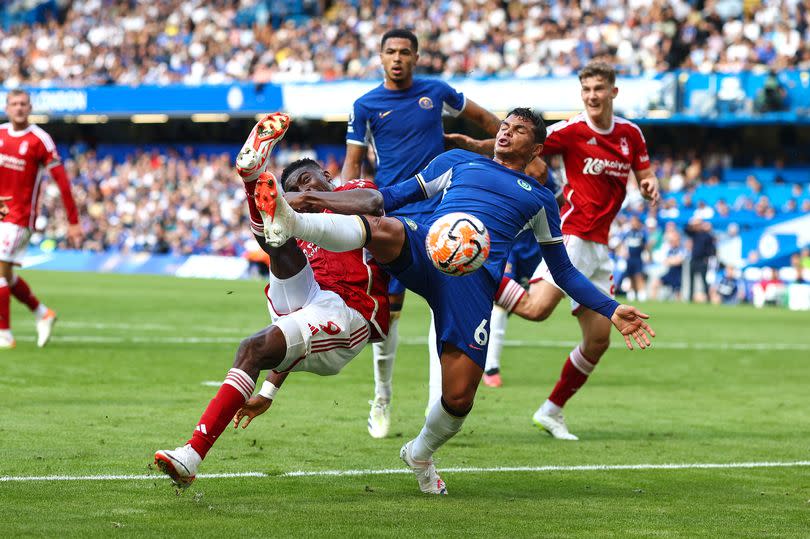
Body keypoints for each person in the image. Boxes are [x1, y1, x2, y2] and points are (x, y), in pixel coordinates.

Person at [255, 108, 655, 495]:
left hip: (471, 284)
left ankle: (419, 453)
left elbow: (564, 272)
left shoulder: (540, 199)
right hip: (425, 243)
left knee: (459, 399)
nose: (505, 132)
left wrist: (611, 308)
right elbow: (386, 199)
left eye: (518, 130)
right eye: (505, 125)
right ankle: (293, 221)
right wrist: (307, 202)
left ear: (536, 149)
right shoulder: (459, 161)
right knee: (386, 228)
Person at [153, 114, 390, 488]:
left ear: (329, 177)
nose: (305, 185)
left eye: (310, 178)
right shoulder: (295, 219)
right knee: (257, 330)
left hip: (348, 312)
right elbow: (295, 328)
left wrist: (305, 198)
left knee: (281, 232)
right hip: (309, 298)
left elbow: (374, 202)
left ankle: (255, 189)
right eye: (295, 184)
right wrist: (268, 390)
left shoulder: (350, 191)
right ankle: (190, 457)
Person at [446, 62, 659, 440]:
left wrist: (648, 184)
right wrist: (475, 145)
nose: (591, 96)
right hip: (574, 236)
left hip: (600, 246)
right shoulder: (573, 130)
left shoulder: (631, 134)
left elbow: (643, 170)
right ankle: (474, 271)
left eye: (598, 89)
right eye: (586, 89)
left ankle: (551, 411)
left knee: (598, 340)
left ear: (613, 92)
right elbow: (520, 138)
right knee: (535, 309)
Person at [343, 28, 502, 438]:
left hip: (442, 215)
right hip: (393, 213)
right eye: (390, 51)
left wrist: (504, 152)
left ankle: (438, 404)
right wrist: (345, 207)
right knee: (390, 313)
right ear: (380, 56)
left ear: (416, 57)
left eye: (405, 52)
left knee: (444, 306)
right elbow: (353, 165)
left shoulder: (438, 91)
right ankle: (382, 397)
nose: (397, 58)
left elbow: (486, 121)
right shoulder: (365, 105)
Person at [0, 89, 83, 349]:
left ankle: (4, 334)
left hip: (20, 217)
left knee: (0, 273)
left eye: (23, 104)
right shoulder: (0, 134)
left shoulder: (40, 140)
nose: (19, 108)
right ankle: (41, 313)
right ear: (7, 107)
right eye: (14, 104)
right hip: (2, 215)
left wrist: (73, 221)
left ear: (30, 107)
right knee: (7, 275)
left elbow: (61, 180)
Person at [481, 169, 561, 388]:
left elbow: (560, 202)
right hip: (508, 245)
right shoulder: (502, 169)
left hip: (535, 248)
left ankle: (483, 357)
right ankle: (490, 367)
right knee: (500, 304)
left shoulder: (549, 175)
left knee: (519, 304)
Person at [622, 215, 649, 301]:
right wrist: (623, 252)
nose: (633, 223)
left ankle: (641, 294)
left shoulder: (641, 233)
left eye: (635, 222)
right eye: (632, 222)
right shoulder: (628, 233)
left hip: (638, 258)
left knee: (638, 275)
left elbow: (645, 246)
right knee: (630, 276)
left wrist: (646, 255)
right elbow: (623, 244)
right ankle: (631, 293)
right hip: (629, 258)